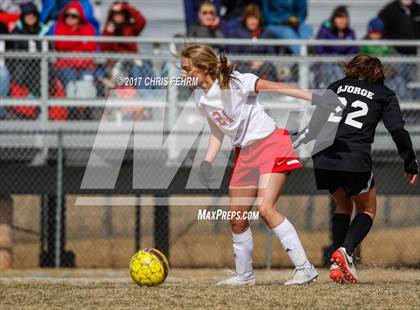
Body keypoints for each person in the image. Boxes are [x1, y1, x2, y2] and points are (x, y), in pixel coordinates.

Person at [180, 44, 339, 285]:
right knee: (236, 217)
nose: (183, 74)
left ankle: (305, 269)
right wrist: (206, 162)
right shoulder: (201, 99)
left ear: (202, 68)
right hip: (245, 153)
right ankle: (245, 275)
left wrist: (315, 98)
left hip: (271, 143)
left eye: (186, 68)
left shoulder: (236, 82)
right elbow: (217, 132)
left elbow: (276, 87)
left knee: (265, 208)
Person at [295, 54, 418, 283]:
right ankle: (346, 251)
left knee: (343, 205)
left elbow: (315, 124)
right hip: (353, 157)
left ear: (352, 68)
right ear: (378, 73)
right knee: (367, 209)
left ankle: (336, 264)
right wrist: (410, 161)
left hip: (323, 156)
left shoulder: (336, 86)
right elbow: (398, 130)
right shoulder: (384, 94)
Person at [51, 1, 97, 97]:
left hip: (86, 66)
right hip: (65, 66)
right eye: (68, 15)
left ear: (80, 17)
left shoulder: (88, 28)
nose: (70, 18)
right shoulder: (59, 27)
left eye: (74, 16)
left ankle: (85, 110)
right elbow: (60, 45)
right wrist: (80, 40)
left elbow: (91, 47)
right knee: (71, 84)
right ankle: (72, 110)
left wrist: (69, 40)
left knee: (86, 85)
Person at [229, 4, 278, 81]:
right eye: (249, 18)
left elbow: (271, 52)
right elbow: (234, 54)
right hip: (244, 67)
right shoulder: (237, 33)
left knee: (270, 67)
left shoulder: (266, 33)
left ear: (259, 20)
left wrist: (261, 61)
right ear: (245, 19)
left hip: (263, 66)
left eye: (255, 18)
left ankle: (265, 86)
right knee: (239, 70)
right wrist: (249, 62)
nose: (252, 21)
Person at [314, 6, 357, 88]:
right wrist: (334, 58)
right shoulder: (326, 31)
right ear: (334, 19)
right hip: (327, 62)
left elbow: (353, 50)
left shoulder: (350, 33)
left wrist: (343, 60)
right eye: (339, 17)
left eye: (344, 17)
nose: (342, 21)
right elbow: (319, 49)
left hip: (343, 63)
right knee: (332, 67)